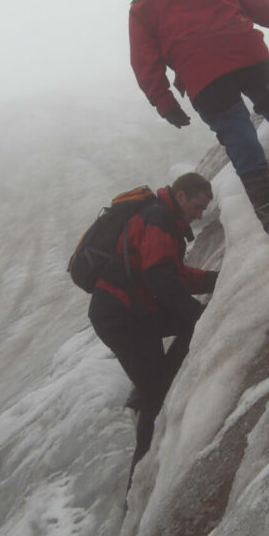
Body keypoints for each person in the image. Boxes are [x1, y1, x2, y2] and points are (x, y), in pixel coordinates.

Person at [129, 0, 269, 229]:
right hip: (247, 53)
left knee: (235, 127)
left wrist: (165, 103)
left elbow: (144, 62)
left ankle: (267, 200)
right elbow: (257, 2)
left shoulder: (144, 9)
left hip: (202, 73)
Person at [88, 172, 218, 488]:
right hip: (120, 316)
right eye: (198, 207)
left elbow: (174, 273)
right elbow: (160, 276)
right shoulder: (159, 218)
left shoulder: (166, 221)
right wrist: (197, 314)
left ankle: (152, 386)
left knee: (187, 329)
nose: (200, 215)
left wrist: (212, 281)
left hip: (134, 310)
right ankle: (140, 484)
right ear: (182, 195)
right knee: (156, 396)